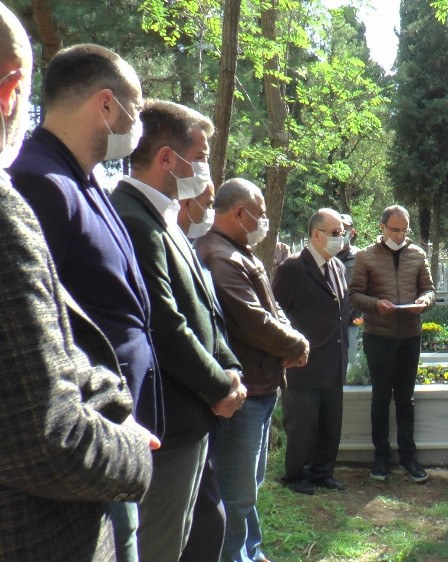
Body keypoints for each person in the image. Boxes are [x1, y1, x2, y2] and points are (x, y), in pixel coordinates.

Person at [0, 5, 155, 559]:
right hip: (50, 508)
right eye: (137, 110)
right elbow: (41, 416)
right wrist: (126, 439)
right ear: (10, 92)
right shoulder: (36, 185)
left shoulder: (85, 181)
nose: (138, 125)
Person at [110, 100, 247, 562]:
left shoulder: (165, 217)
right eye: (201, 156)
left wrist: (229, 366)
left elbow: (205, 308)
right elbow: (165, 325)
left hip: (193, 418)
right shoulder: (133, 218)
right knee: (160, 547)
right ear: (167, 158)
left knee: (190, 536)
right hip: (167, 422)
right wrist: (218, 387)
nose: (206, 169)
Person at [196, 177, 309, 562]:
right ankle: (234, 556)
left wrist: (292, 339)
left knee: (249, 485)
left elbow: (273, 311)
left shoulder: (240, 252)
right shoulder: (220, 256)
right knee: (235, 491)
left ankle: (251, 551)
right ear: (239, 213)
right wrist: (296, 345)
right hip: (241, 391)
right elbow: (254, 321)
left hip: (260, 386)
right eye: (260, 214)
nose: (264, 221)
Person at [349, 204, 435, 482]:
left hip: (410, 334)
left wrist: (424, 302)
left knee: (406, 399)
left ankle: (408, 458)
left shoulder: (417, 254)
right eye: (394, 230)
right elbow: (355, 295)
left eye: (404, 231)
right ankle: (381, 458)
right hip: (379, 335)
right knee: (381, 398)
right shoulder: (366, 256)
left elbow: (429, 290)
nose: (399, 236)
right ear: (382, 227)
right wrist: (376, 304)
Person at [273, 208, 352, 495]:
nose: (341, 237)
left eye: (342, 232)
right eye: (335, 232)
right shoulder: (292, 268)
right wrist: (289, 348)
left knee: (330, 423)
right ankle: (296, 475)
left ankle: (323, 472)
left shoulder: (338, 267)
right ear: (316, 235)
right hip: (303, 363)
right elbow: (276, 311)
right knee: (302, 424)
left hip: (334, 360)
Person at [336, 212, 361, 367]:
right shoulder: (324, 256)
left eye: (346, 228)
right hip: (328, 322)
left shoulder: (360, 257)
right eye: (340, 228)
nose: (343, 232)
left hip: (351, 321)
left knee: (349, 363)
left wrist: (358, 315)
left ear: (352, 232)